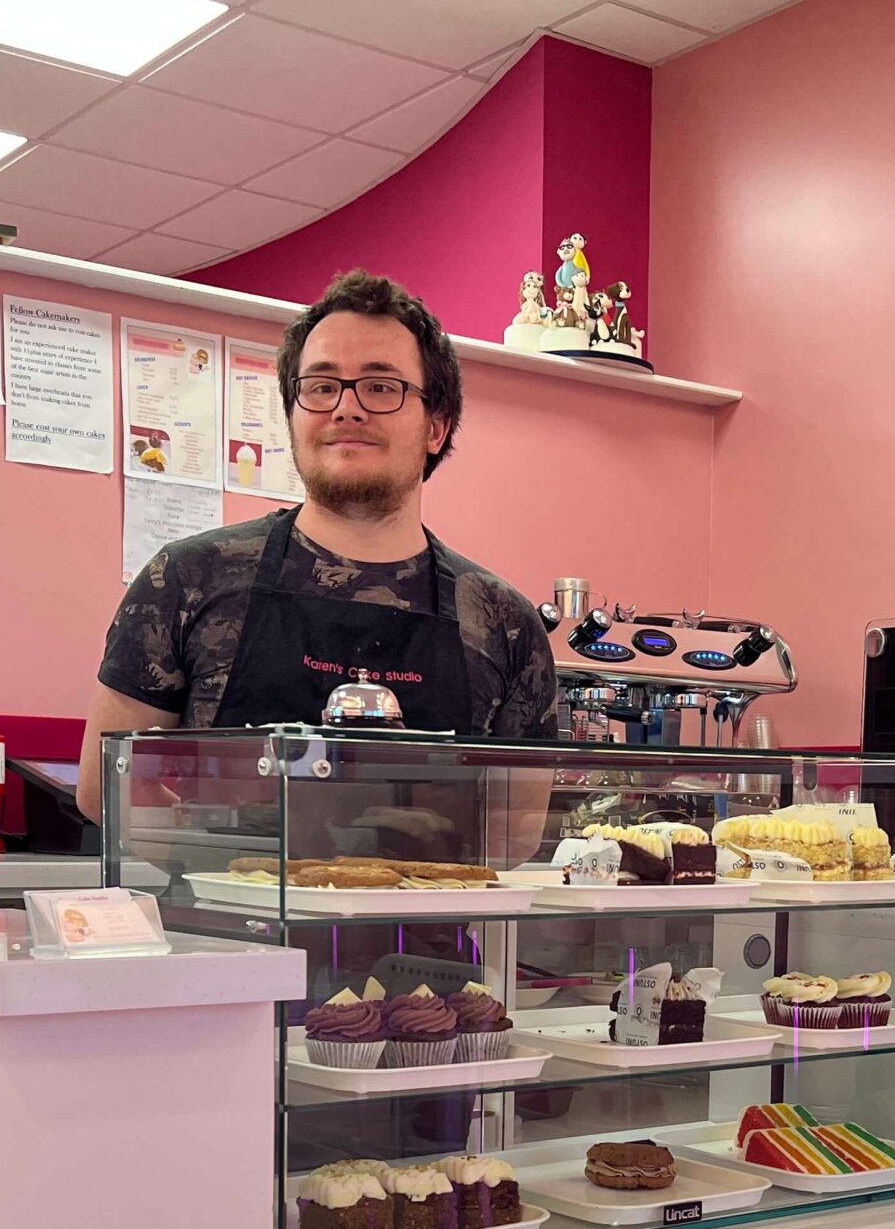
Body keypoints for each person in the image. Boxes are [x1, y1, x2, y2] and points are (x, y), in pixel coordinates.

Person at [78, 271, 556, 822]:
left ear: (436, 427)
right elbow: (104, 793)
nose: (346, 409)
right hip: (224, 907)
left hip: (422, 907)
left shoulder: (506, 623)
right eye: (322, 386)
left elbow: (515, 833)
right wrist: (226, 857)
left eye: (381, 387)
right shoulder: (184, 581)